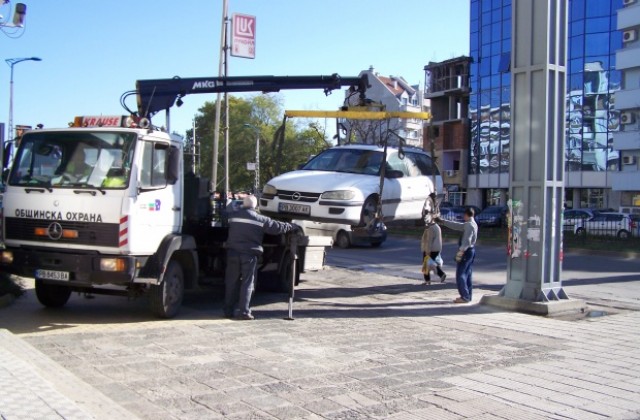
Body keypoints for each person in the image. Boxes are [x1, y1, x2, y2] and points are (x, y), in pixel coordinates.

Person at [224, 195, 297, 320]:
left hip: (233, 253)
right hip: (249, 255)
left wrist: (231, 202)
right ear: (255, 206)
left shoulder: (233, 215)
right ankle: (244, 312)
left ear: (243, 204)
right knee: (247, 283)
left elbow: (226, 209)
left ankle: (228, 310)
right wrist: (291, 226)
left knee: (231, 282)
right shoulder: (260, 219)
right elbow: (276, 227)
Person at [437, 208, 478, 303]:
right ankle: (468, 296)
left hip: (466, 251)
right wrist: (443, 221)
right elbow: (457, 226)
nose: (463, 217)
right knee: (468, 274)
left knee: (461, 274)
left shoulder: (469, 225)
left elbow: (466, 241)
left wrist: (460, 252)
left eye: (464, 215)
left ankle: (464, 296)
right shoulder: (473, 224)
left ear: (466, 215)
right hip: (471, 251)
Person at [421, 220, 446, 285]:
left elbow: (429, 240)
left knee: (426, 264)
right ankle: (440, 274)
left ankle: (428, 280)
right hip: (437, 248)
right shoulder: (437, 226)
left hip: (431, 249)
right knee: (432, 263)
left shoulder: (430, 228)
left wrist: (427, 251)